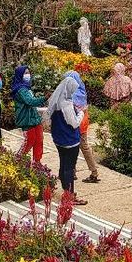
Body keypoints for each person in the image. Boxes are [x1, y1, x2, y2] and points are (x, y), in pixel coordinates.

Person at [48, 74, 86, 205]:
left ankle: (65, 191)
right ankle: (69, 195)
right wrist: (81, 113)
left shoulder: (57, 101)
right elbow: (74, 123)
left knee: (63, 165)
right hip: (70, 140)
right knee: (70, 167)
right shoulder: (66, 105)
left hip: (59, 139)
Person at [65, 70, 99, 184]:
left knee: (80, 147)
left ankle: (93, 172)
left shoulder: (72, 94)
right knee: (77, 147)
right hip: (83, 123)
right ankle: (73, 171)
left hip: (76, 124)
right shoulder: (80, 91)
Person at [12, 65, 45, 164]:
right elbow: (29, 101)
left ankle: (37, 163)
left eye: (28, 73)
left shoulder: (26, 88)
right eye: (25, 73)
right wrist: (44, 98)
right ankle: (18, 160)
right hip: (26, 119)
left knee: (39, 140)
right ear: (20, 75)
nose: (28, 75)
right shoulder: (20, 90)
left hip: (34, 118)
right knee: (29, 140)